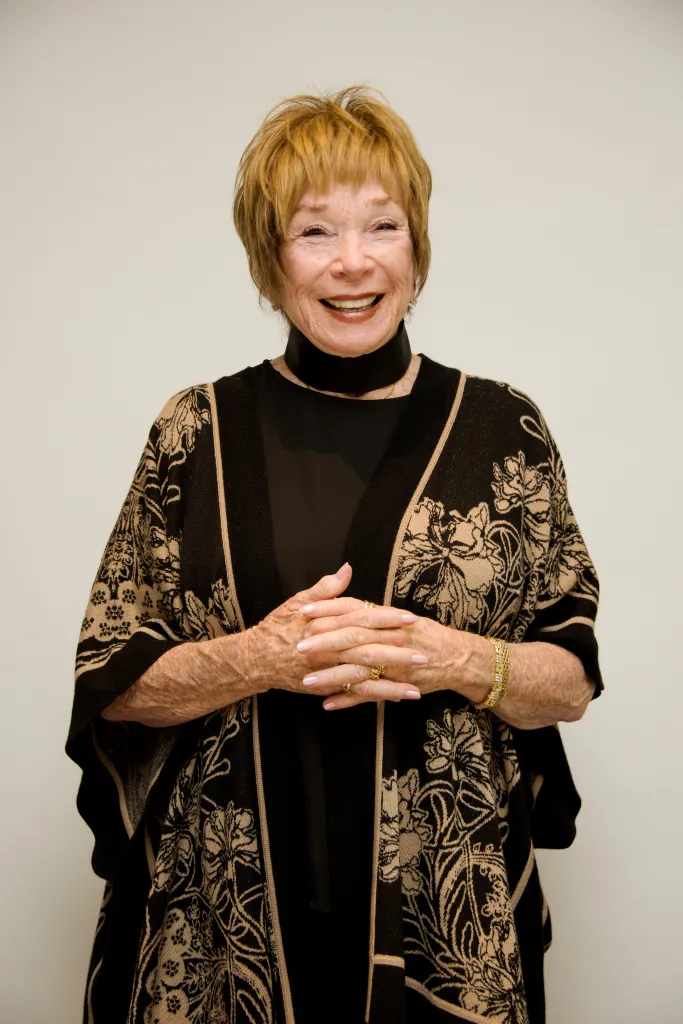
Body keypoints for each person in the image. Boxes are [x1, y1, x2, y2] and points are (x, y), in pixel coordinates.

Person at [67, 87, 602, 1024]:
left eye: (381, 226)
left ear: (417, 249)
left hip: (445, 916)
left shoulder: (501, 430)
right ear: (269, 263)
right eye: (314, 232)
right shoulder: (195, 432)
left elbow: (570, 680)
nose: (352, 262)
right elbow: (112, 683)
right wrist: (258, 658)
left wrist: (454, 658)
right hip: (222, 917)